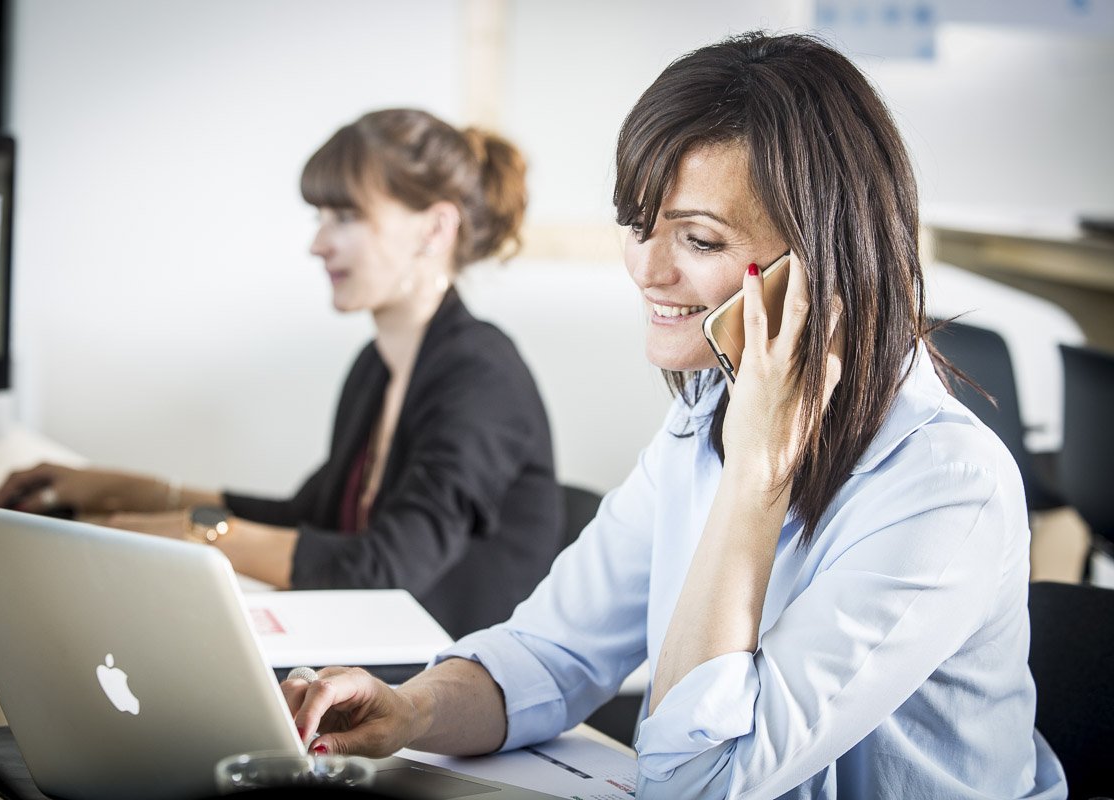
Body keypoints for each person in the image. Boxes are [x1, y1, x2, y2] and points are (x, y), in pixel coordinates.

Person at [277, 34, 1067, 799]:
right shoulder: (707, 412)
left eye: (696, 237)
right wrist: (409, 706)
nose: (647, 269)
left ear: (822, 257)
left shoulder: (943, 485)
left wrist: (755, 479)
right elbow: (551, 652)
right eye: (638, 224)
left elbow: (698, 783)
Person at [0, 109, 564, 640]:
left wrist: (185, 536)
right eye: (320, 217)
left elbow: (387, 569)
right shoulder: (380, 367)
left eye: (346, 216)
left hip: (442, 697)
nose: (318, 244)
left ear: (434, 229)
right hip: (372, 655)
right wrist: (120, 490)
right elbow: (307, 520)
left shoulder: (480, 378)